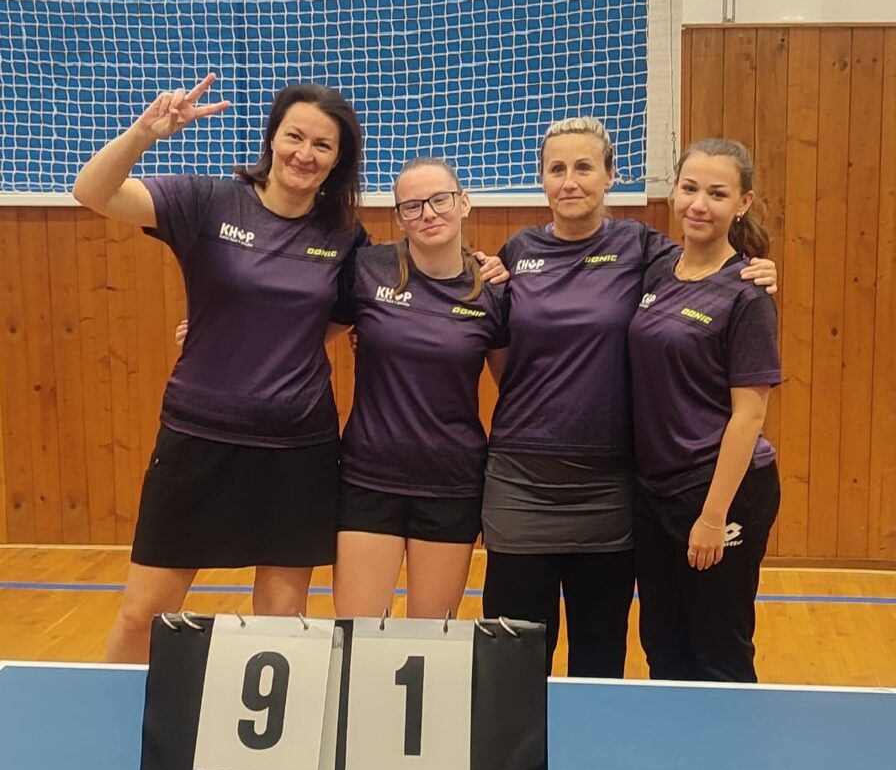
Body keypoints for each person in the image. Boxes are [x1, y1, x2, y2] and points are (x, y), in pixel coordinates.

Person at [73, 75, 366, 662]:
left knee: (280, 620)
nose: (304, 154)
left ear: (338, 160)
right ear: (272, 138)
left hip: (297, 448)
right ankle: (112, 719)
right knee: (143, 616)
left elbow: (333, 321)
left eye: (322, 145)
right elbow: (92, 193)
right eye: (295, 136)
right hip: (198, 435)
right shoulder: (208, 202)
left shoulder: (344, 236)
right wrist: (143, 134)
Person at [480, 117, 778, 677]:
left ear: (611, 176)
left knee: (609, 656)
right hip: (529, 479)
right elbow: (499, 343)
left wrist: (758, 267)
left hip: (613, 484)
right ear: (541, 178)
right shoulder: (517, 251)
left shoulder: (643, 249)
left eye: (584, 167)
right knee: (517, 661)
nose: (570, 181)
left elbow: (709, 262)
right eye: (557, 168)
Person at [628, 138, 781, 683]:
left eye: (717, 193)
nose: (699, 204)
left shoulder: (747, 294)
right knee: (662, 646)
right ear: (673, 191)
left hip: (719, 489)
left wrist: (713, 517)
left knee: (719, 652)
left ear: (743, 203)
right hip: (654, 490)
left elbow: (750, 416)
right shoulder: (657, 270)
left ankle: (732, 743)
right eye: (689, 188)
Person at [330, 157, 509, 618]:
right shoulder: (369, 269)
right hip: (368, 479)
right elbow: (304, 330)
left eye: (439, 200)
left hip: (451, 484)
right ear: (399, 217)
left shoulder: (492, 291)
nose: (428, 213)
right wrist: (220, 330)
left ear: (463, 203)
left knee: (430, 641)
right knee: (356, 635)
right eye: (412, 206)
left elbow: (515, 389)